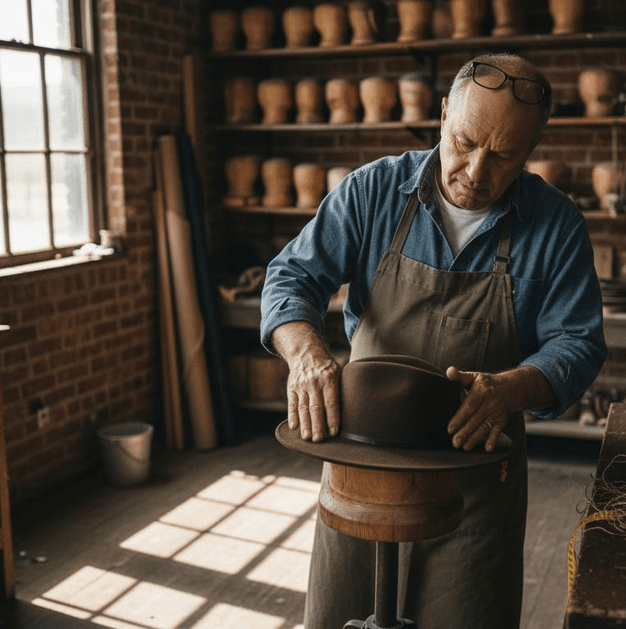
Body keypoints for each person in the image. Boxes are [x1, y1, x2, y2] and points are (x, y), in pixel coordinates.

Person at [260, 53, 607, 629]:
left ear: (532, 148)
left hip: (473, 477)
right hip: (363, 463)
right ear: (443, 114)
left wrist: (512, 389)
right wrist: (307, 354)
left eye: (503, 156)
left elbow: (577, 343)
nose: (475, 171)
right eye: (465, 142)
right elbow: (291, 277)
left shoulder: (557, 224)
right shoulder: (373, 191)